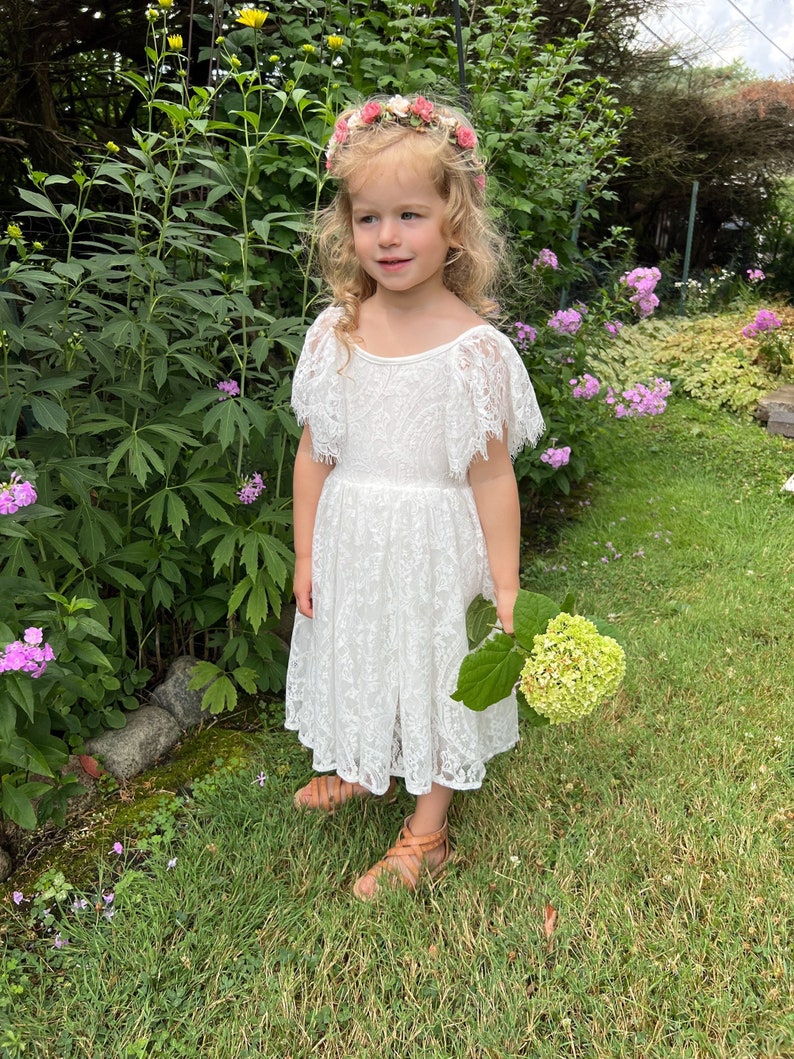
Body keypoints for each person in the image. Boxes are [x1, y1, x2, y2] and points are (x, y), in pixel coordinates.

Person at [286, 94, 544, 900]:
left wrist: (504, 582)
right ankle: (366, 766)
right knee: (366, 652)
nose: (388, 238)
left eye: (409, 215)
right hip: (354, 536)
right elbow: (314, 449)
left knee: (434, 672)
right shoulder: (338, 331)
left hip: (437, 540)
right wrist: (304, 550)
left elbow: (492, 473)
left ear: (454, 223)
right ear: (346, 227)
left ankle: (427, 833)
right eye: (368, 219)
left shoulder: (475, 351)